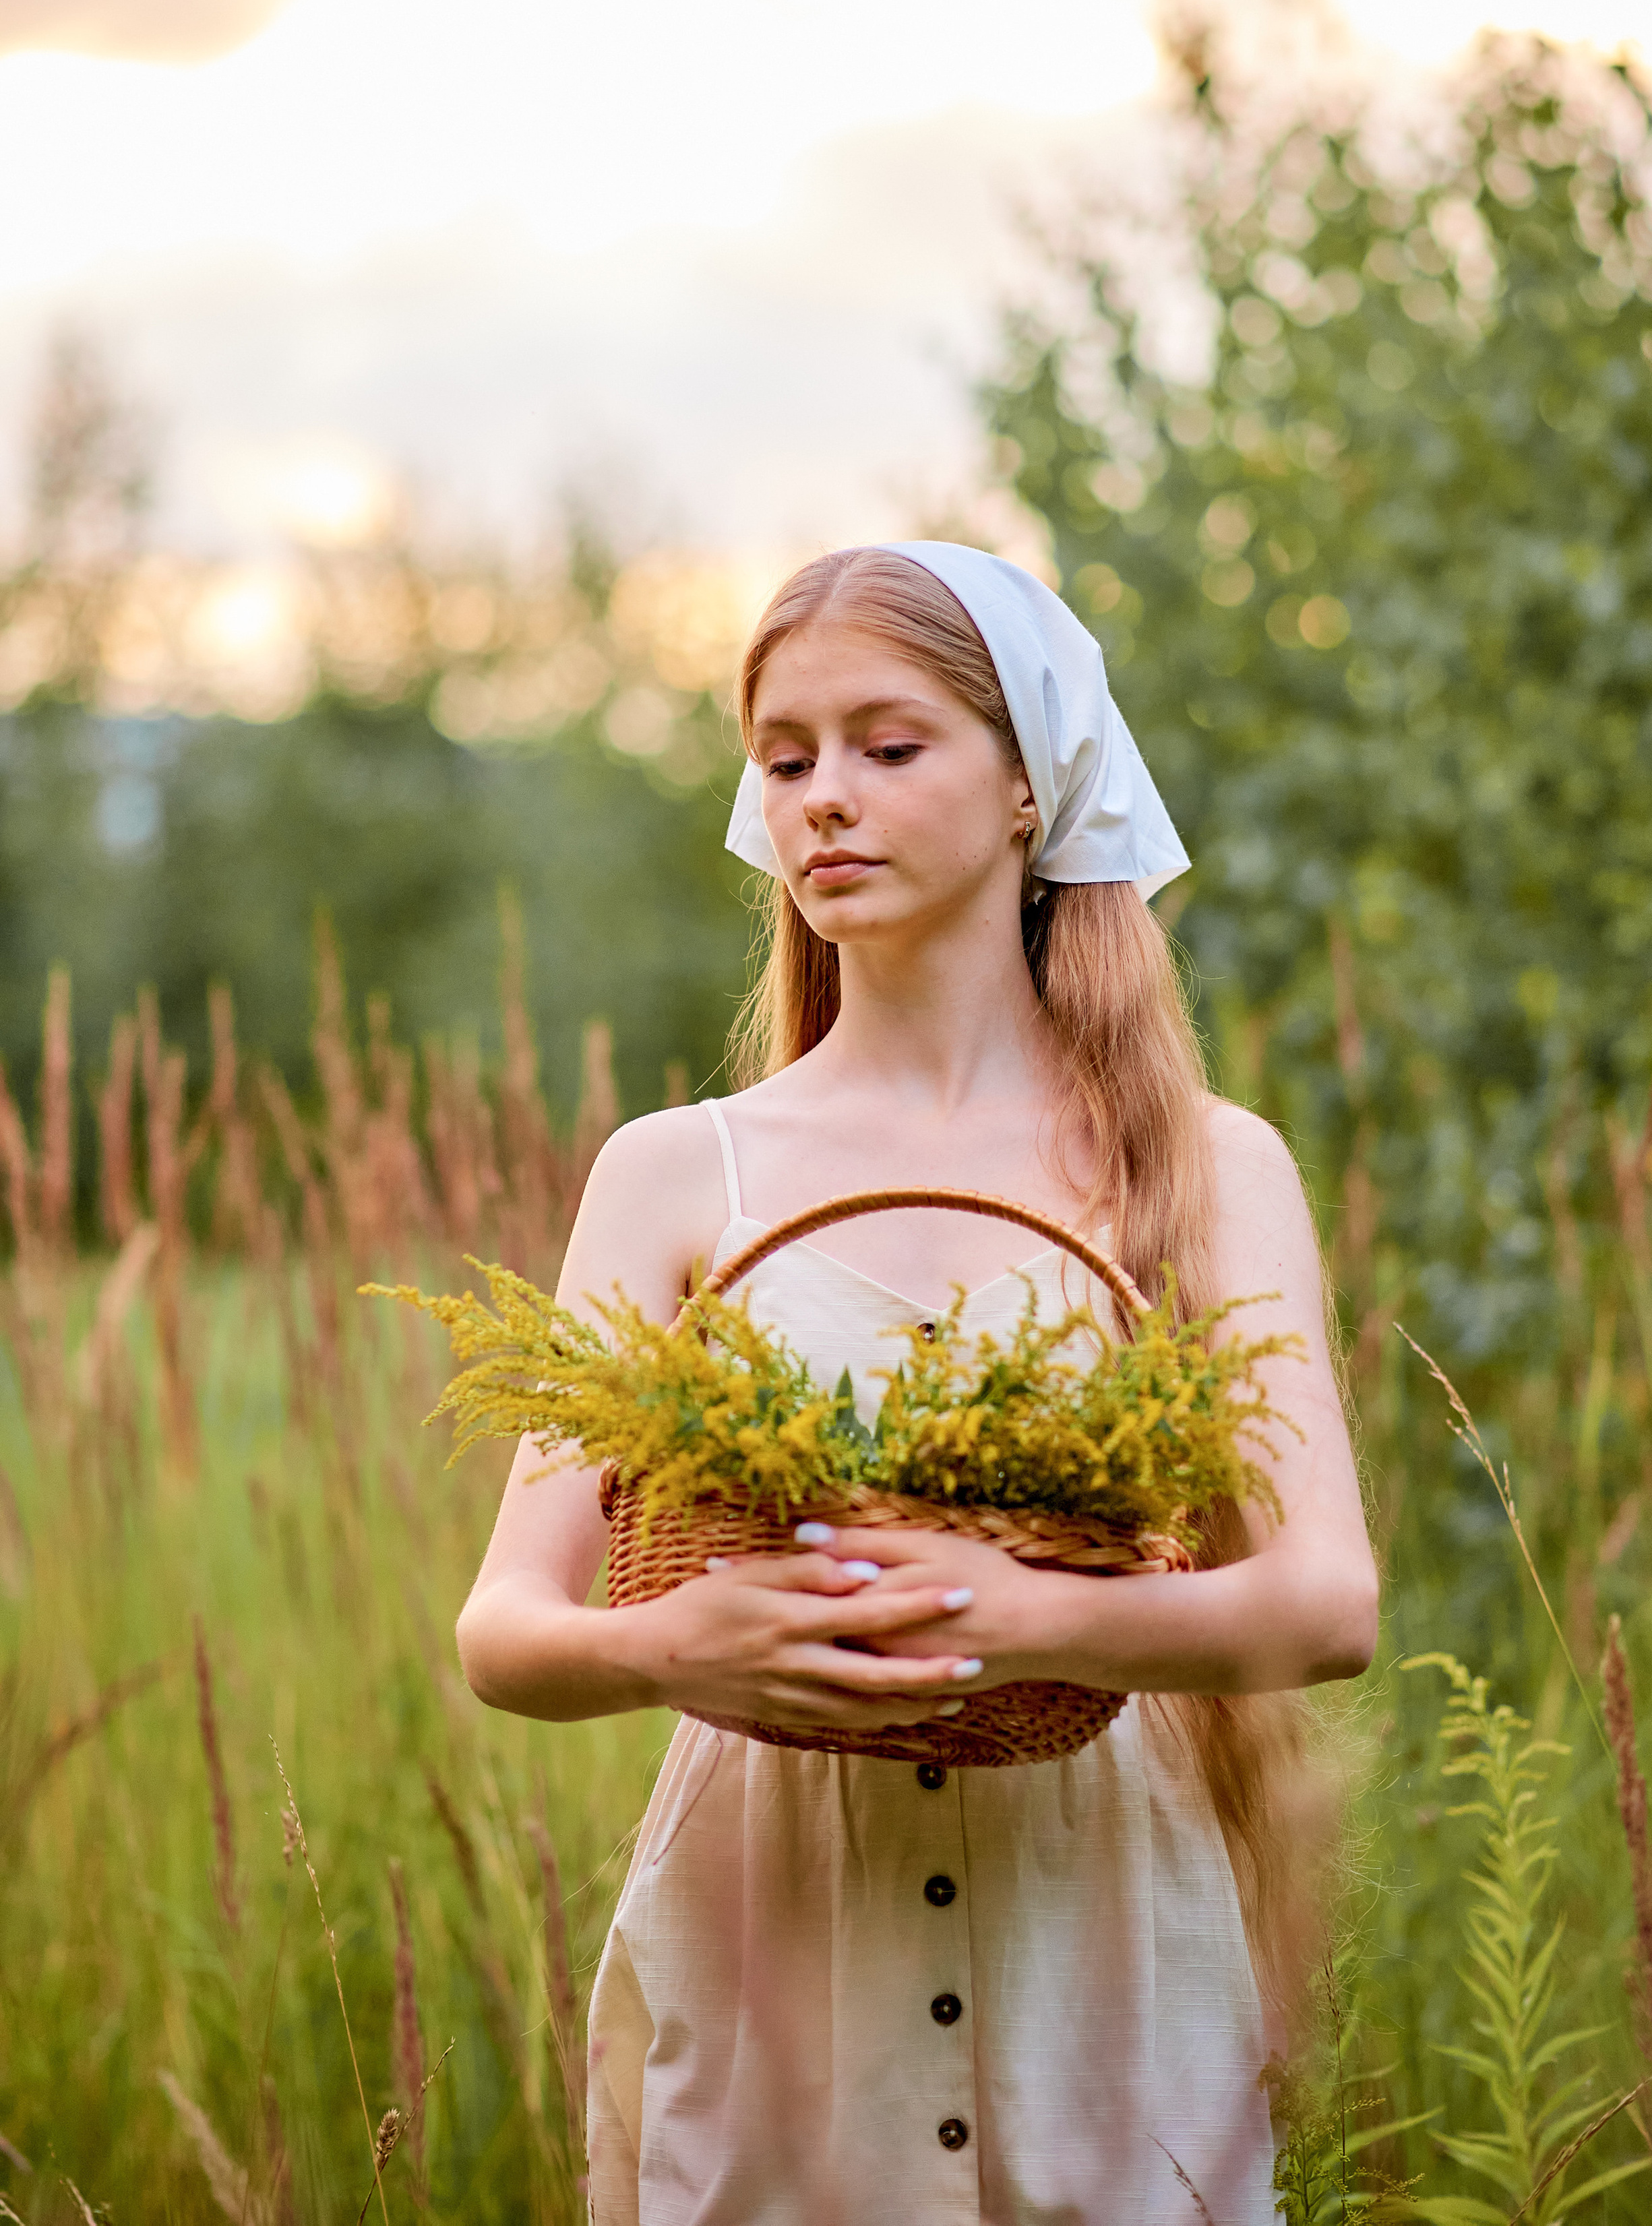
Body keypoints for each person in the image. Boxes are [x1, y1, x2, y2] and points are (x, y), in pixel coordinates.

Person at [454, 542, 1379, 2226]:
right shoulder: (677, 1176)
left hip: (1095, 1917)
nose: (824, 798)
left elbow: (1323, 1604)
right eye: (786, 756)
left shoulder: (1201, 1168)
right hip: (776, 1931)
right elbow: (507, 1626)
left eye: (889, 748)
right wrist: (668, 1647)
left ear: (1031, 785)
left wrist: (1016, 1620)